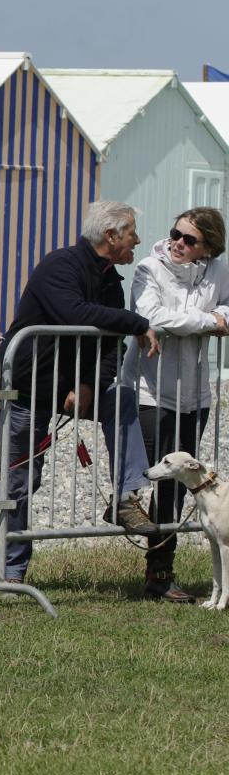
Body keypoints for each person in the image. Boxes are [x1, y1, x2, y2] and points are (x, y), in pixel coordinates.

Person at [2, 200, 161, 585]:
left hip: (74, 388)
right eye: (132, 233)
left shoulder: (110, 279)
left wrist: (89, 385)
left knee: (121, 397)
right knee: (21, 482)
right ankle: (8, 571)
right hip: (30, 390)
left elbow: (110, 346)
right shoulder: (60, 265)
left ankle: (125, 497)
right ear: (110, 236)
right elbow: (76, 313)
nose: (137, 241)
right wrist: (137, 322)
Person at [123, 207, 229, 602]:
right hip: (152, 391)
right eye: (175, 234)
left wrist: (217, 316)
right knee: (162, 481)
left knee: (182, 485)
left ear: (209, 248)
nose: (178, 244)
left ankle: (163, 570)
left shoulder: (218, 271)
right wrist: (207, 321)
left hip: (196, 394)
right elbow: (153, 316)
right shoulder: (150, 268)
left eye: (189, 240)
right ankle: (159, 572)